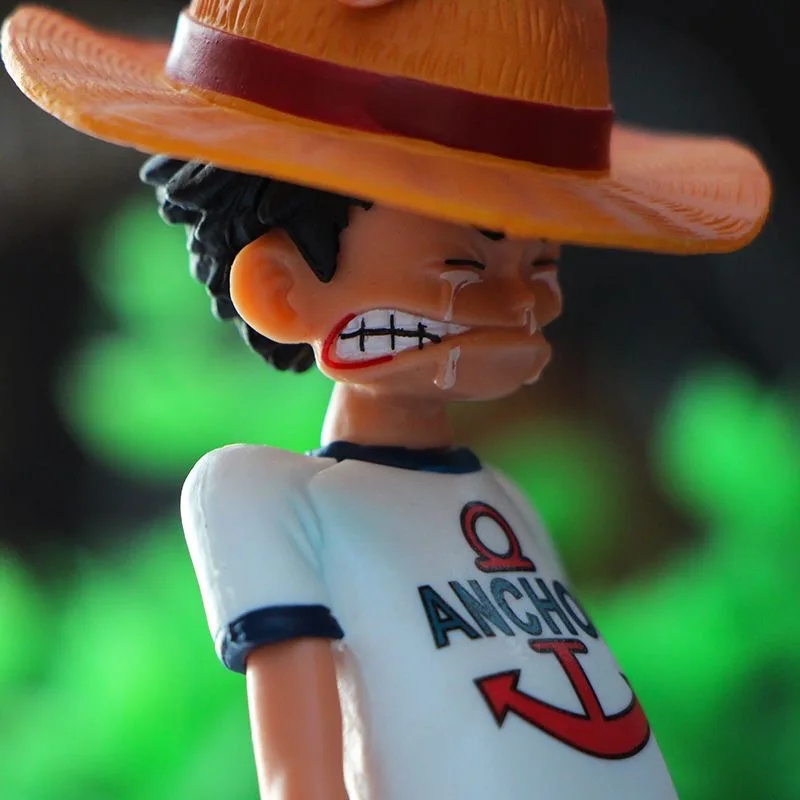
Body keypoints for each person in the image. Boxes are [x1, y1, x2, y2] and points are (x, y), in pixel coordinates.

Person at [2, 1, 770, 798]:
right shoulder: (266, 498)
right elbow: (299, 773)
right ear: (282, 290)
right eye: (464, 268)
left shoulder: (506, 504)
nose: (521, 305)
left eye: (541, 267)